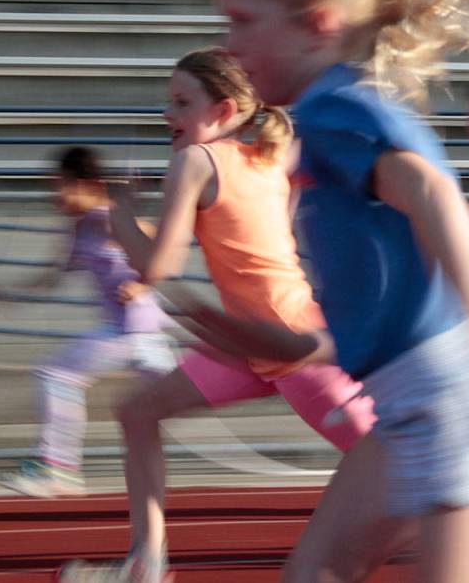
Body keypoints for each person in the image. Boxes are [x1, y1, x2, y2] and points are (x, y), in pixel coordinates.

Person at [174, 0, 469, 583]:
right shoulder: (335, 110)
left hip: (450, 394)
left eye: (244, 22)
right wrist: (276, 345)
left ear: (317, 23)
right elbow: (378, 310)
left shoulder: (335, 110)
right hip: (411, 394)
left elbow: (432, 193)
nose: (230, 44)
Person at [59, 47, 376, 583]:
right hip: (247, 343)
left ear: (224, 110)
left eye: (182, 102)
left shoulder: (195, 161)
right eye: (169, 101)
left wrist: (120, 215)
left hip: (291, 344)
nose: (168, 114)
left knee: (394, 459)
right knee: (137, 412)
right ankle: (145, 562)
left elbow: (156, 267)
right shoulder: (269, 154)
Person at [0, 147, 175, 498]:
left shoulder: (110, 217)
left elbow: (164, 248)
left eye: (61, 185)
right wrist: (8, 295)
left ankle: (58, 467)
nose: (55, 196)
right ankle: (66, 469)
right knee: (144, 414)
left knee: (56, 375)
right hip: (129, 334)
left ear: (89, 184)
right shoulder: (80, 228)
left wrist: (142, 283)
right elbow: (51, 276)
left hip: (137, 331)